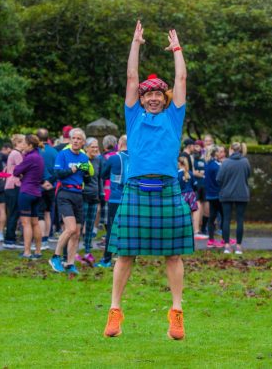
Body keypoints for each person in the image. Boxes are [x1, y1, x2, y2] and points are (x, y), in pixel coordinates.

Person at [104, 22, 192, 340]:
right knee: (125, 253)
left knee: (173, 254)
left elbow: (181, 78)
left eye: (157, 93)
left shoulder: (174, 115)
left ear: (164, 98)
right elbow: (131, 77)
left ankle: (176, 312)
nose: (153, 97)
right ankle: (115, 311)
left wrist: (177, 50)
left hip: (167, 188)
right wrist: (135, 44)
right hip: (136, 189)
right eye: (148, 94)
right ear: (141, 99)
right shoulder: (133, 115)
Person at [50, 128, 93, 274]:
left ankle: (70, 263)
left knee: (76, 233)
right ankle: (55, 257)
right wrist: (72, 170)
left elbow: (87, 177)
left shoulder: (84, 157)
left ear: (83, 142)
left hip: (78, 194)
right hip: (64, 193)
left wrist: (86, 172)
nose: (75, 141)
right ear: (70, 140)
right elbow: (58, 174)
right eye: (73, 138)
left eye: (78, 139)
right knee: (70, 229)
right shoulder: (63, 155)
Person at [97, 135, 129, 268]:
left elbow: (102, 175)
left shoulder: (114, 158)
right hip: (131, 198)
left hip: (115, 197)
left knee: (112, 227)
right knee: (128, 227)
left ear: (120, 143)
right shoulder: (137, 158)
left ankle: (106, 259)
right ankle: (127, 256)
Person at [14, 134, 45, 260]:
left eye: (25, 144)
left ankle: (27, 252)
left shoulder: (30, 157)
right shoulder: (39, 157)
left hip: (27, 192)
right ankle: (38, 251)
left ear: (30, 145)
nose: (23, 146)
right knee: (35, 223)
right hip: (37, 193)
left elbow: (16, 171)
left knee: (26, 223)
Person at [217, 142, 250, 255]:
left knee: (226, 219)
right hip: (242, 194)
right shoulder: (245, 161)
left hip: (226, 194)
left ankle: (226, 246)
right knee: (240, 220)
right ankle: (239, 246)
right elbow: (248, 175)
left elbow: (219, 179)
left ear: (231, 149)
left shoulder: (225, 162)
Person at [78, 137, 103, 265]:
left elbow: (99, 178)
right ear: (86, 148)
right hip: (83, 195)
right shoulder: (82, 160)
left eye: (96, 147)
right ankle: (75, 251)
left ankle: (87, 250)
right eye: (92, 147)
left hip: (94, 196)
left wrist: (101, 193)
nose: (95, 149)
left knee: (90, 225)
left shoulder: (99, 160)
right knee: (80, 225)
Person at [3, 135, 25, 249]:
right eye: (23, 142)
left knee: (12, 213)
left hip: (10, 185)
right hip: (14, 185)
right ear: (18, 143)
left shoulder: (13, 153)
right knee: (14, 213)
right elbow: (22, 169)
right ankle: (9, 240)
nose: (25, 144)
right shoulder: (17, 154)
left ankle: (9, 238)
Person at [36, 129, 57, 245]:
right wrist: (50, 181)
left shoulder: (36, 151)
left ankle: (42, 240)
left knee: (40, 214)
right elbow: (58, 169)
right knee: (48, 212)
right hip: (52, 186)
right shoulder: (54, 151)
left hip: (39, 185)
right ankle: (47, 238)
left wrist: (43, 182)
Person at [204, 145, 224, 248]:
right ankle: (225, 239)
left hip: (210, 194)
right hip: (219, 194)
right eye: (219, 151)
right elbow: (220, 180)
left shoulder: (207, 164)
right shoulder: (217, 165)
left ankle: (211, 240)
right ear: (215, 153)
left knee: (211, 218)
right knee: (224, 216)